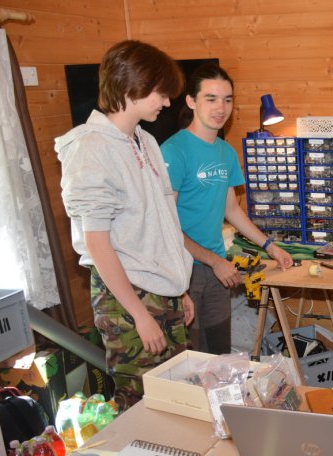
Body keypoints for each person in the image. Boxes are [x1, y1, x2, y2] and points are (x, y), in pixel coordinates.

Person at [56, 40, 194, 408]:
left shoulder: (145, 139)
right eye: (161, 93)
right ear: (133, 85)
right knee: (143, 407)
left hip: (162, 291)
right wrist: (139, 315)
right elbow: (98, 245)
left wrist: (178, 288)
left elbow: (163, 223)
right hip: (128, 299)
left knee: (180, 399)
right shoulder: (90, 148)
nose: (166, 103)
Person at [161, 63, 293, 354]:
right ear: (191, 101)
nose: (221, 108)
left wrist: (271, 247)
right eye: (211, 98)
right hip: (184, 272)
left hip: (216, 269)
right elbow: (165, 226)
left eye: (227, 99)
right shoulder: (173, 151)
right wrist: (214, 261)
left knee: (220, 357)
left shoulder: (225, 151)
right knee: (191, 360)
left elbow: (232, 210)